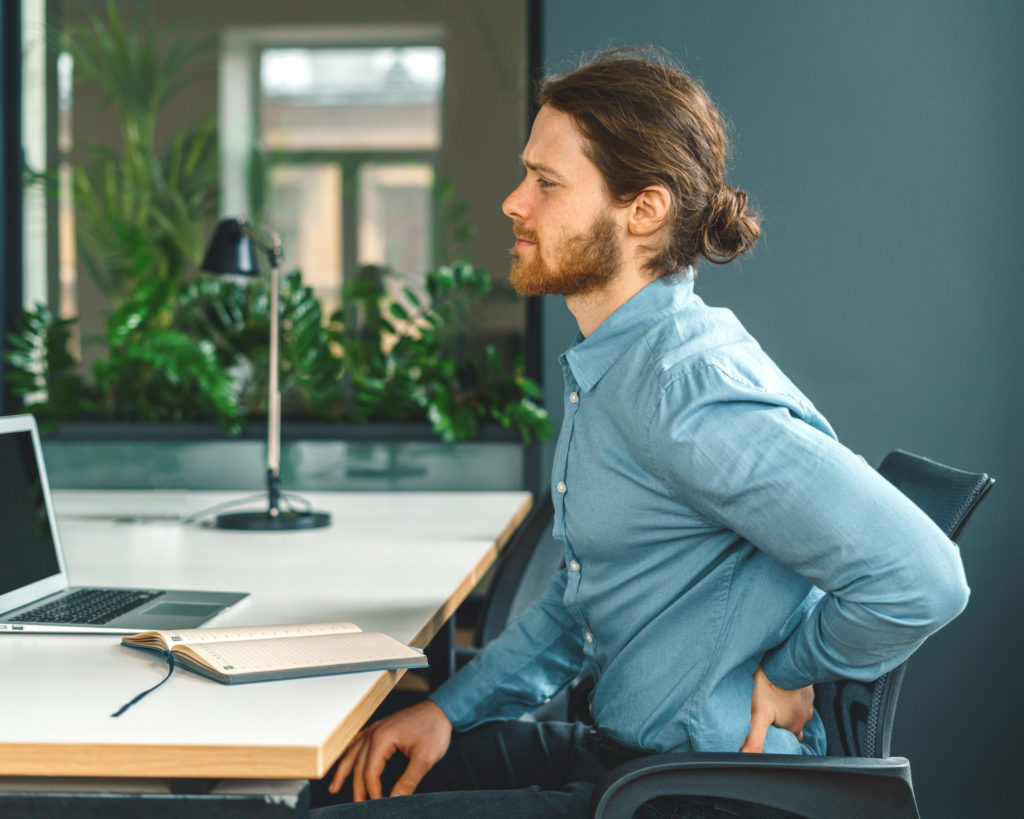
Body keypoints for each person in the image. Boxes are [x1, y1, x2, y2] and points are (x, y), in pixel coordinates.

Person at [311, 48, 969, 818]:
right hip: (624, 756)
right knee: (338, 782)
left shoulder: (682, 389)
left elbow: (924, 575)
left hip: (690, 789)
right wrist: (447, 710)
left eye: (546, 183)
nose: (513, 202)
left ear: (644, 210)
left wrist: (793, 668)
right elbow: (581, 600)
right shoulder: (624, 365)